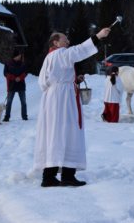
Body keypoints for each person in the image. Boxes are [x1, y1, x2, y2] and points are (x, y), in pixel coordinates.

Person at [34, 27, 111, 187]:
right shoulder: (59, 54)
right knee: (69, 132)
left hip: (54, 98)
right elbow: (79, 50)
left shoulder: (50, 57)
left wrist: (73, 81)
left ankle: (49, 176)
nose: (68, 41)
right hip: (61, 101)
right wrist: (98, 36)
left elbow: (49, 80)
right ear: (55, 42)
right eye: (64, 39)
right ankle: (67, 175)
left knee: (54, 135)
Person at [3, 50, 28, 121]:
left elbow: (25, 72)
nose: (20, 56)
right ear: (15, 56)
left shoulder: (23, 63)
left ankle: (24, 116)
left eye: (20, 55)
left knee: (23, 102)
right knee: (9, 102)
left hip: (21, 85)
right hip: (12, 85)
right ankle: (7, 117)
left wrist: (20, 78)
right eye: (18, 55)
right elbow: (5, 73)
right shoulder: (8, 64)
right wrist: (14, 78)